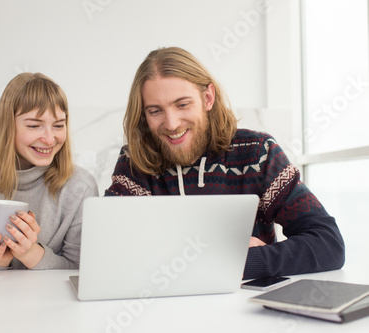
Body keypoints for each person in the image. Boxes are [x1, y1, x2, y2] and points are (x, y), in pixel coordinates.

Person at [105, 47, 345, 280]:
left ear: (208, 98)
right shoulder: (135, 162)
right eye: (155, 110)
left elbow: (328, 243)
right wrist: (223, 258)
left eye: (182, 104)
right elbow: (109, 251)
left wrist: (246, 263)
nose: (171, 124)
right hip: (160, 309)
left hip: (245, 311)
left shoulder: (258, 153)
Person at [0, 72, 98, 270]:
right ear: (7, 126)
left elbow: (83, 273)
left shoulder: (81, 186)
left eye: (59, 125)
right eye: (35, 125)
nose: (49, 139)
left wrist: (32, 254)